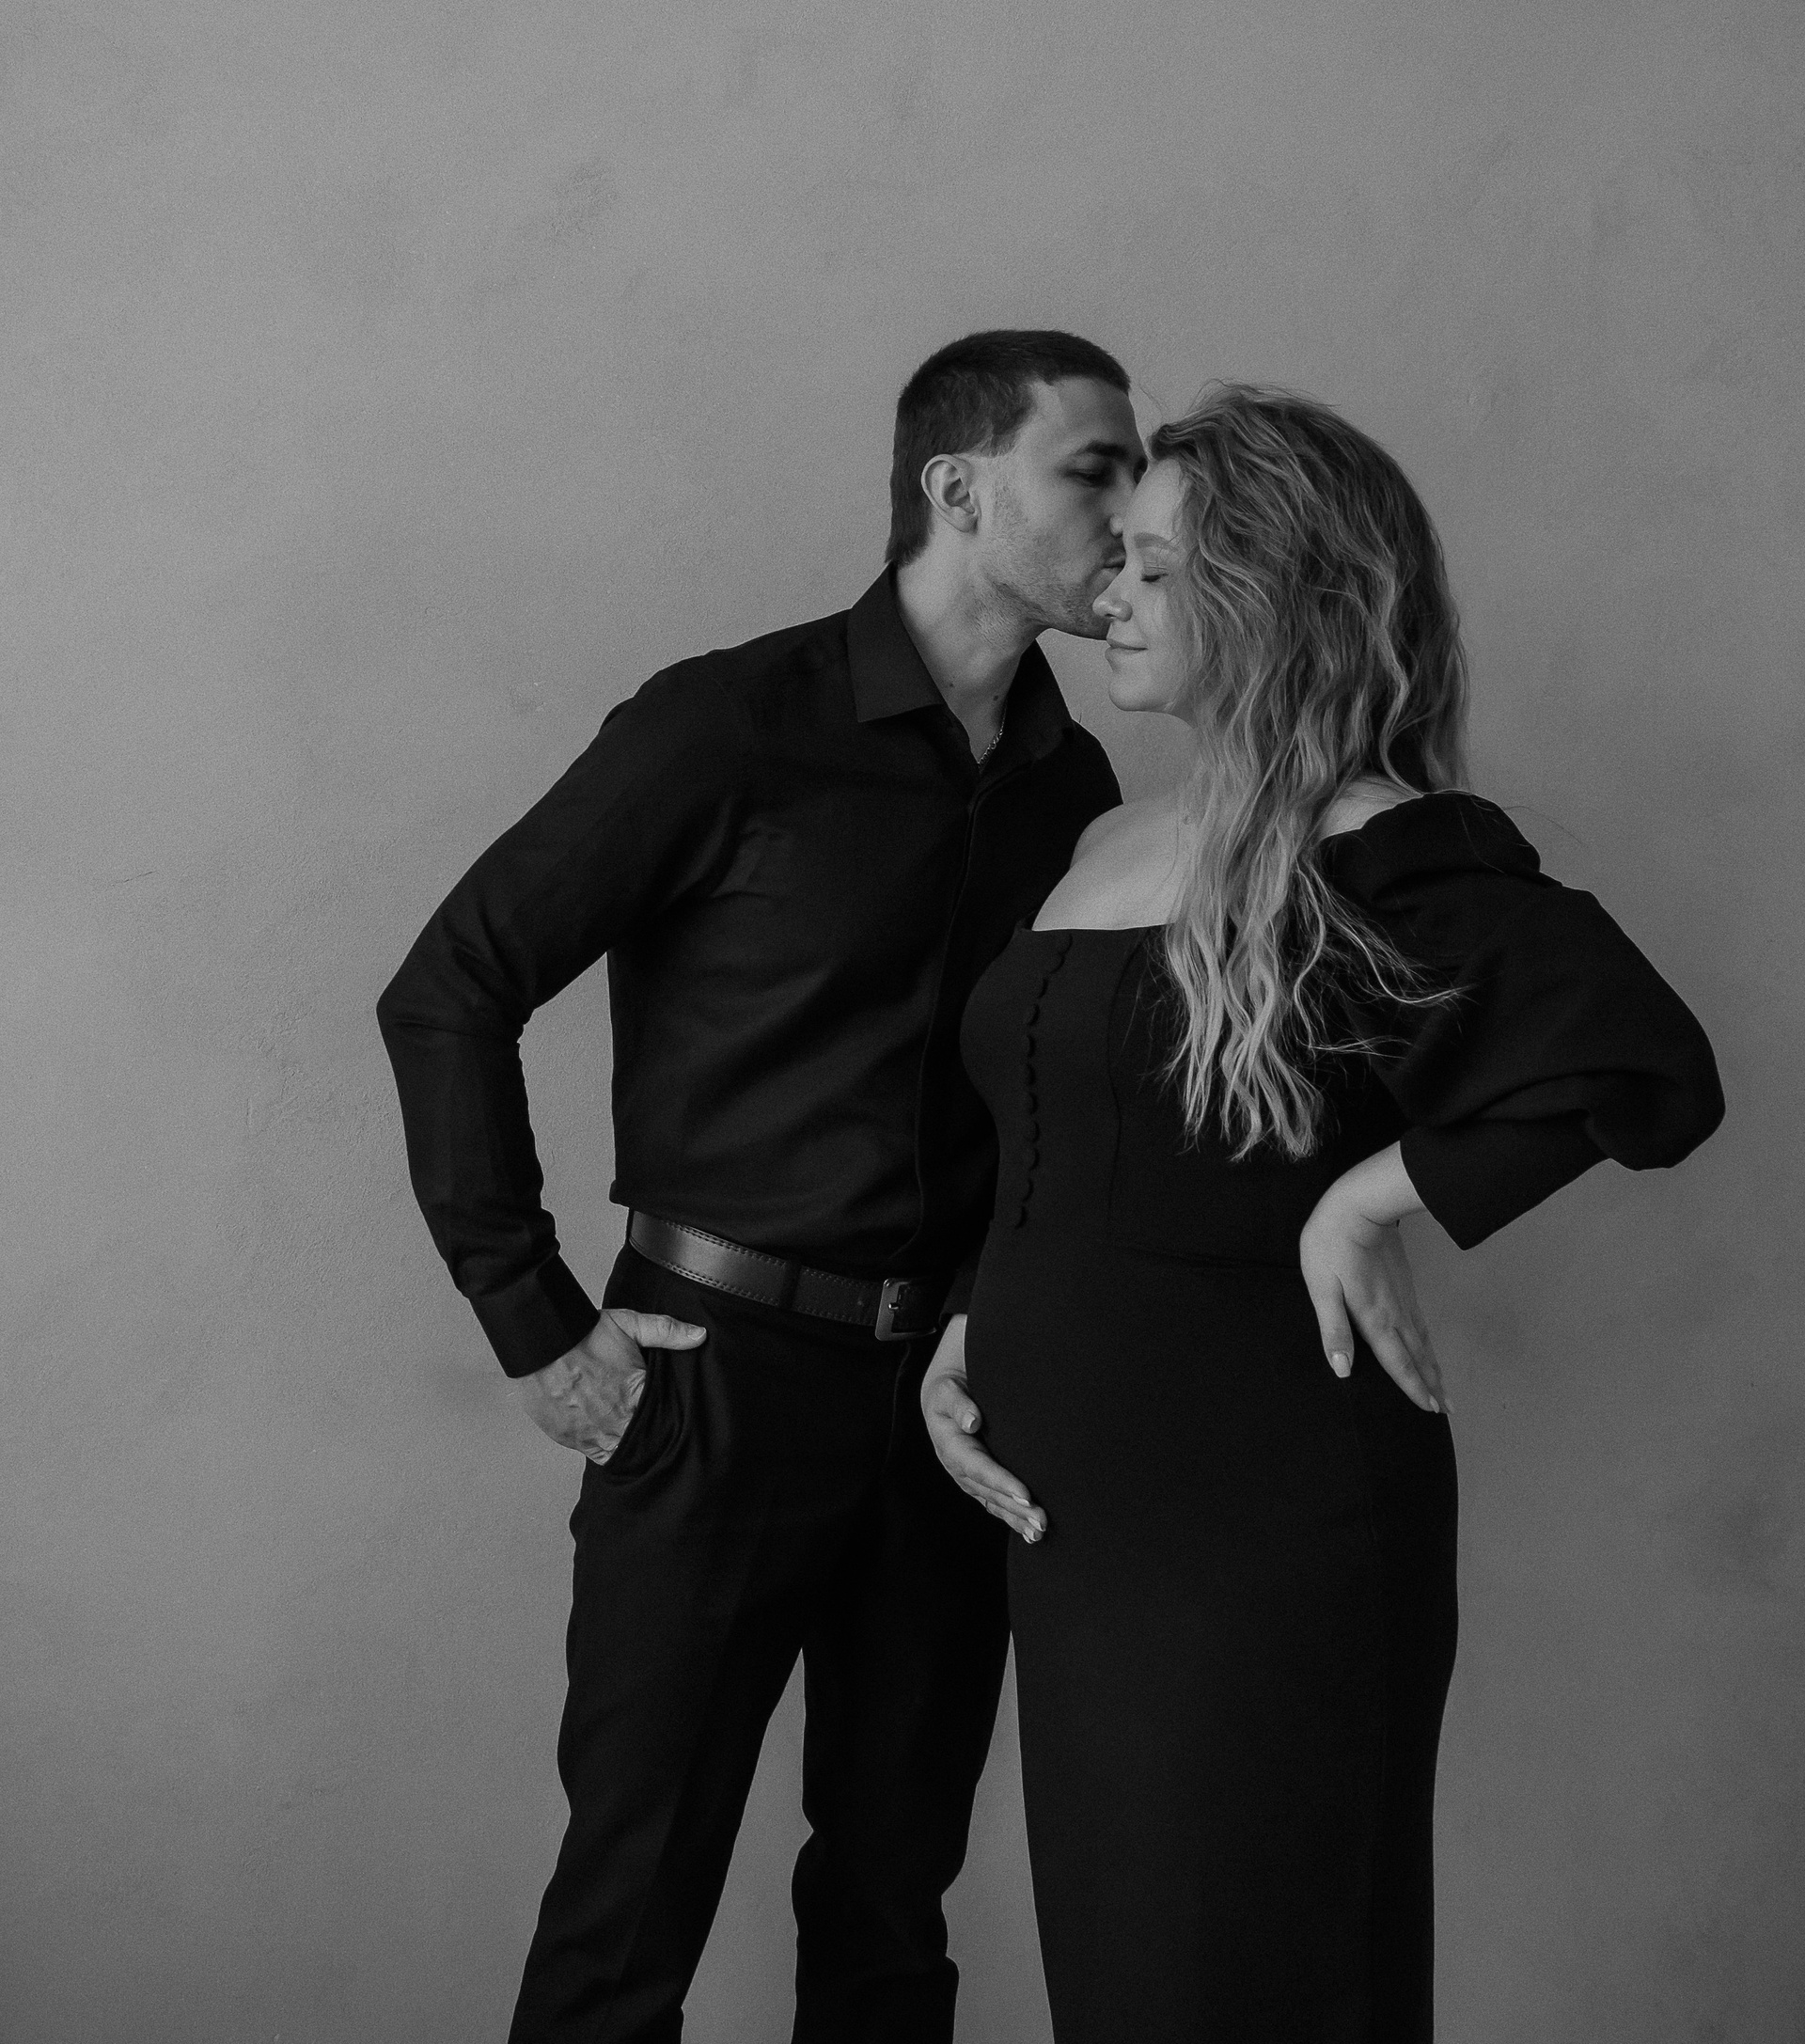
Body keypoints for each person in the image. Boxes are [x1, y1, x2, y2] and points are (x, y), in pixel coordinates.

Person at [922, 383, 1724, 2044]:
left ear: (1273, 598)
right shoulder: (1109, 836)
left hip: (1266, 1519)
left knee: (1253, 1981)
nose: (1111, 594)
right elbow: (1090, 1140)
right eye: (1117, 559)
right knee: (1128, 1986)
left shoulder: (1381, 850)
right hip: (1082, 1536)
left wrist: (1374, 1196)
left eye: (1154, 567)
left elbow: (1645, 1063)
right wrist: (970, 1324)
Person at [376, 330, 1147, 2044]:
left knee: (891, 1907)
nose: (1135, 509)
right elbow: (448, 990)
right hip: (714, 1383)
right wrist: (533, 1321)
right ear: (959, 489)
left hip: (956, 1401)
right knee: (628, 1911)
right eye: (1094, 468)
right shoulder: (726, 725)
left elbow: (1048, 1111)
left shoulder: (1073, 786)